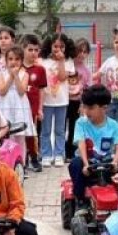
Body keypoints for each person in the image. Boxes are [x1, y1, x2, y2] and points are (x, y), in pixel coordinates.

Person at [68, 85, 118, 214]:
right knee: (75, 164)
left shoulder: (113, 125)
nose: (87, 111)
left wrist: (116, 162)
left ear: (104, 107)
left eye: (91, 108)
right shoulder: (81, 123)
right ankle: (80, 200)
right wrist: (86, 164)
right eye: (85, 107)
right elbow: (81, 142)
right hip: (88, 163)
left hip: (107, 162)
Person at [40, 33, 75, 166]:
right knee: (46, 130)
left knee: (60, 130)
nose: (58, 49)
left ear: (66, 47)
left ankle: (59, 154)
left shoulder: (68, 61)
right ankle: (46, 154)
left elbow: (61, 78)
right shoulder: (43, 61)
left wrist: (61, 61)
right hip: (46, 101)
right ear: (50, 46)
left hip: (62, 100)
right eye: (55, 46)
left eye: (61, 46)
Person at [0, 44, 33, 161]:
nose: (13, 62)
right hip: (6, 106)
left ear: (21, 61)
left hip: (20, 107)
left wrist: (16, 76)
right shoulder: (0, 74)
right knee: (7, 136)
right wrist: (10, 76)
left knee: (20, 136)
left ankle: (21, 163)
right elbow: (2, 91)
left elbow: (21, 91)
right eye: (10, 59)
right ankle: (8, 162)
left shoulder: (25, 74)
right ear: (5, 61)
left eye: (17, 59)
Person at [22, 34, 47, 171]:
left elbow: (42, 91)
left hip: (33, 107)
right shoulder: (17, 68)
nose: (33, 53)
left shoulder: (40, 69)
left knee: (33, 134)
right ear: (23, 49)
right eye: (30, 49)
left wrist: (40, 109)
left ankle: (34, 157)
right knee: (21, 133)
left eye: (36, 50)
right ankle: (22, 158)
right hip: (20, 108)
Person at [67, 38, 93, 161]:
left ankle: (70, 151)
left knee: (74, 126)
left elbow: (87, 90)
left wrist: (83, 104)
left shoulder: (86, 70)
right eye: (79, 51)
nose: (81, 54)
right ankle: (60, 150)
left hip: (77, 102)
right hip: (63, 101)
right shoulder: (68, 65)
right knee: (60, 128)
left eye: (85, 51)